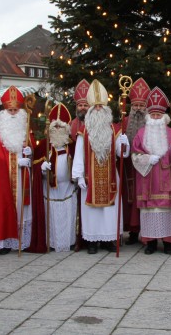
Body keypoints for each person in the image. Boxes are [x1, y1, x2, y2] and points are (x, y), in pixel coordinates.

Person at [71, 79, 130, 254]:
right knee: (92, 213)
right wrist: (79, 175)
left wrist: (124, 144)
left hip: (111, 177)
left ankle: (110, 239)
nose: (98, 109)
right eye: (95, 107)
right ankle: (92, 241)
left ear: (106, 109)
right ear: (90, 109)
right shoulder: (84, 131)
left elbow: (122, 153)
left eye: (100, 107)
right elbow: (79, 154)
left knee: (109, 213)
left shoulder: (115, 129)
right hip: (90, 179)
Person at [0, 86, 35, 255]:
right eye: (10, 110)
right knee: (5, 206)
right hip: (6, 178)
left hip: (23, 177)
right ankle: (5, 243)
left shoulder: (26, 130)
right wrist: (16, 162)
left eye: (15, 110)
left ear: (20, 110)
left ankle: (22, 241)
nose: (13, 113)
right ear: (4, 111)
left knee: (23, 207)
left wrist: (29, 152)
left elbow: (33, 148)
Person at [131, 87, 171, 254]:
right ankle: (150, 242)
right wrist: (146, 159)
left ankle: (167, 243)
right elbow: (135, 155)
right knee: (149, 212)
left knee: (165, 211)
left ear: (164, 117)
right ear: (149, 116)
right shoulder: (140, 133)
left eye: (159, 115)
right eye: (153, 115)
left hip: (166, 179)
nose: (156, 117)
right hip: (148, 180)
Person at [40, 103, 77, 252]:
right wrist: (41, 168)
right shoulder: (44, 146)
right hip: (50, 190)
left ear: (66, 129)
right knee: (53, 216)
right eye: (54, 127)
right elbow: (34, 164)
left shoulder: (72, 146)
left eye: (60, 127)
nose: (57, 130)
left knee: (68, 215)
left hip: (68, 188)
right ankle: (52, 242)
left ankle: (69, 241)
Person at [121, 77, 150, 245]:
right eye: (135, 106)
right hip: (128, 167)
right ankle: (132, 232)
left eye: (141, 105)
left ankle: (146, 232)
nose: (138, 109)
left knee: (143, 199)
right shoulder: (125, 122)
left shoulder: (150, 124)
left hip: (146, 167)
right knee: (130, 200)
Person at [69, 79, 90, 251]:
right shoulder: (71, 126)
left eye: (86, 104)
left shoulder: (95, 124)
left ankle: (89, 236)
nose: (83, 107)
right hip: (74, 172)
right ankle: (78, 238)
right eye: (80, 104)